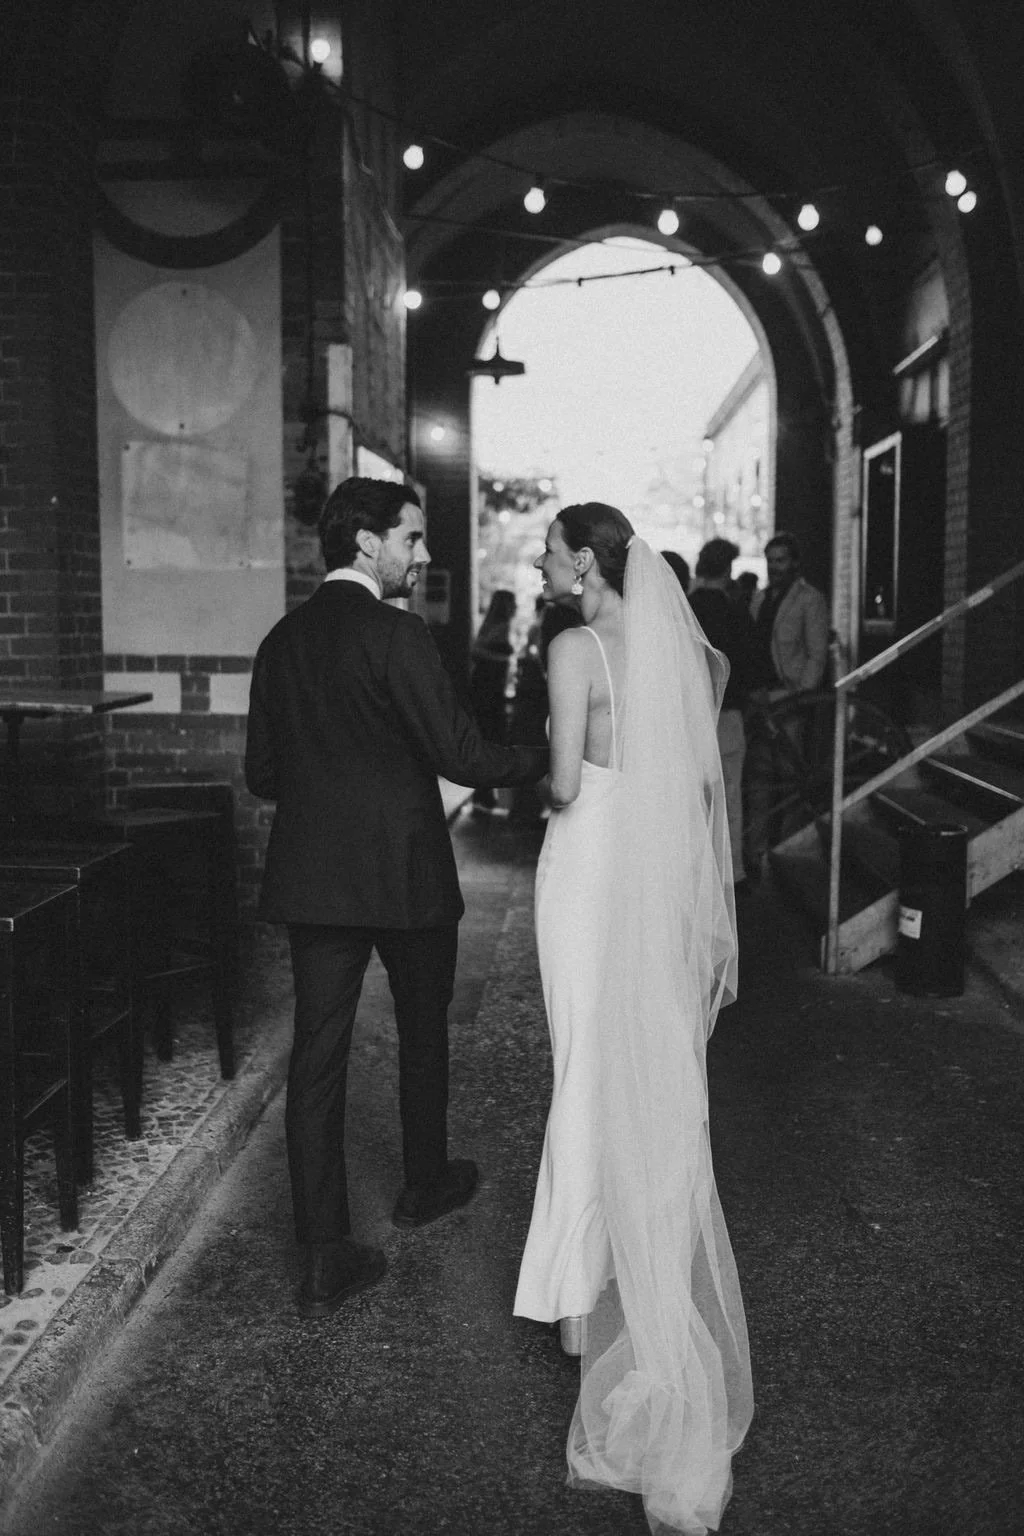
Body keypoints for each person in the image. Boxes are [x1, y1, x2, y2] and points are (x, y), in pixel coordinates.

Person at [245, 478, 548, 1319]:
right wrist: (547, 760)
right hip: (406, 874)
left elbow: (262, 775)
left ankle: (321, 1252)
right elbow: (463, 755)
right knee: (423, 1031)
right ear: (366, 543)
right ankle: (424, 1185)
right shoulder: (397, 634)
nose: (423, 554)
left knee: (317, 1056)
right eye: (412, 539)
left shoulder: (282, 641)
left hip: (314, 881)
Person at [513, 503, 752, 1536]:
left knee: (580, 1071)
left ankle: (577, 1303)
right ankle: (623, 1282)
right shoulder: (679, 660)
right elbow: (700, 782)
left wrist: (530, 788)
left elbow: (565, 783)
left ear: (588, 565)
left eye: (552, 551)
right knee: (643, 1072)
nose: (541, 562)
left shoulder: (571, 648)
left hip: (583, 868)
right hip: (650, 879)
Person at [743, 530, 830, 878]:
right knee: (760, 776)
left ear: (794, 563)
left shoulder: (810, 600)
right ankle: (756, 855)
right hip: (761, 697)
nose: (774, 567)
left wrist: (801, 696)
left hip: (790, 698)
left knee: (791, 776)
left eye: (781, 560)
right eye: (770, 560)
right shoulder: (759, 599)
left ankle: (789, 853)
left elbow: (816, 654)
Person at [687, 537, 760, 889]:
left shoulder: (686, 607)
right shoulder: (734, 611)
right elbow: (749, 661)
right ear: (728, 569)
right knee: (729, 795)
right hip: (727, 714)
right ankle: (731, 873)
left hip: (689, 717)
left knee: (691, 797)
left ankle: (694, 872)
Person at [469, 588, 517, 815]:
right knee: (491, 742)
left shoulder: (490, 625)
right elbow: (477, 651)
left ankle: (484, 794)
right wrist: (504, 657)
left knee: (486, 743)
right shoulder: (500, 627)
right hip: (489, 695)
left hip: (484, 693)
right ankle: (484, 794)